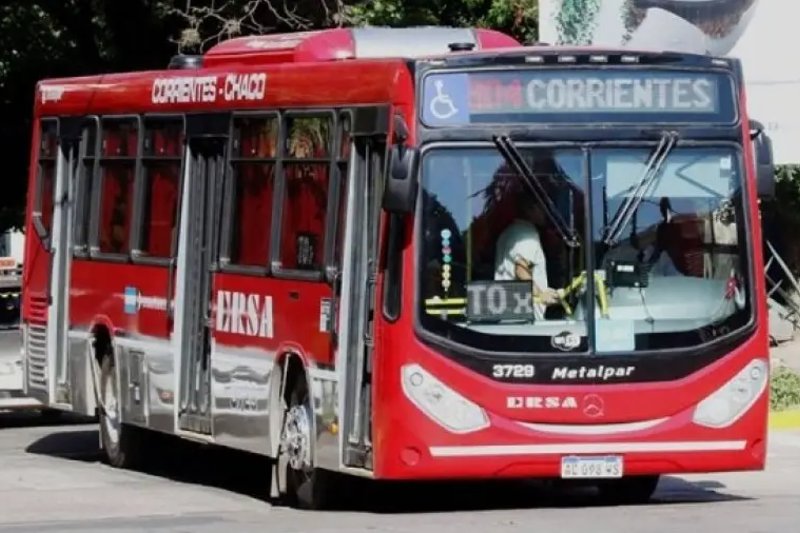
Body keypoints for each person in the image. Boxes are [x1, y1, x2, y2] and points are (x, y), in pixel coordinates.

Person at [494, 194, 560, 319]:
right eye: (542, 207)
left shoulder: (508, 232)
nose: (546, 213)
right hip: (526, 318)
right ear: (530, 209)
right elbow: (521, 271)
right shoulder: (527, 235)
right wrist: (541, 295)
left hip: (508, 314)